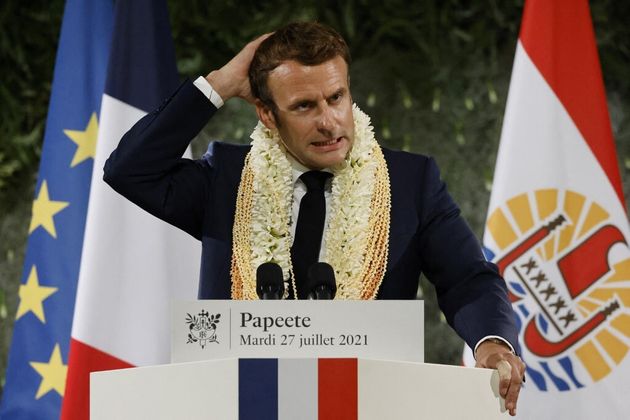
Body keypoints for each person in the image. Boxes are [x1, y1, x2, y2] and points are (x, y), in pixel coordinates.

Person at [104, 22, 525, 415]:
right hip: (238, 406)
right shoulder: (228, 179)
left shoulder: (411, 182)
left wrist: (491, 341)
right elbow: (129, 170)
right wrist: (219, 84)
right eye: (304, 105)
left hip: (371, 407)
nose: (328, 121)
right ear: (268, 115)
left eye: (336, 97)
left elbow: (468, 277)